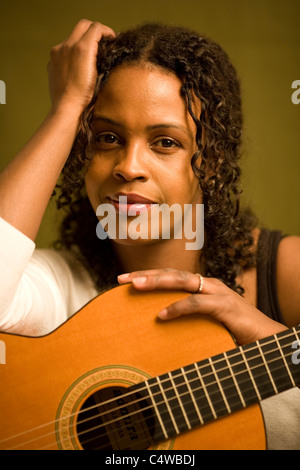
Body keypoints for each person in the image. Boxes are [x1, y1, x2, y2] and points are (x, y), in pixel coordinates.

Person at [0, 19, 299, 449]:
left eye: (164, 143)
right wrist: (66, 108)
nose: (129, 166)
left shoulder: (284, 271)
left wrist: (267, 336)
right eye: (106, 138)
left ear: (210, 162)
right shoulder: (59, 285)